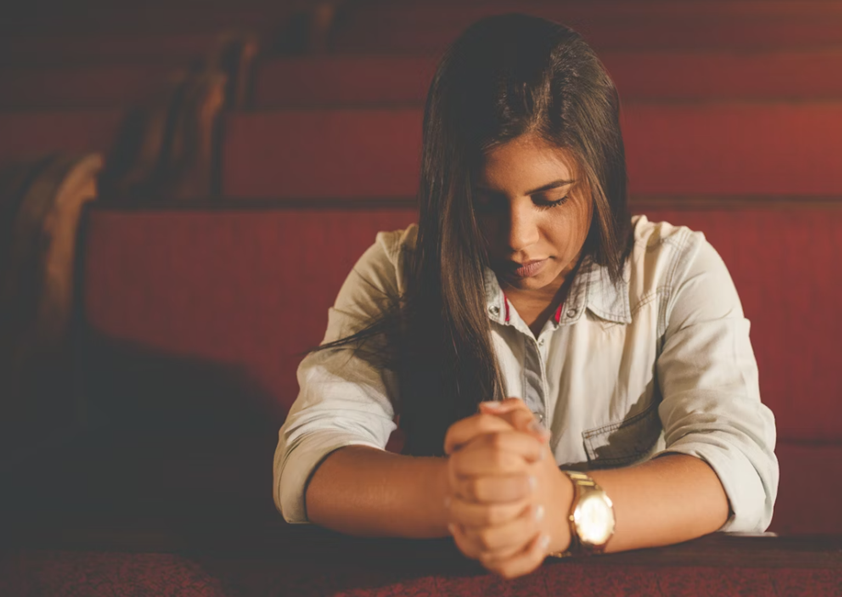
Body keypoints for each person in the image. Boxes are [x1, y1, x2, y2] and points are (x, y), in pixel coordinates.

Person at [273, 13, 778, 580]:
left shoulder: (675, 270)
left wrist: (562, 508)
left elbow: (739, 466)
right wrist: (460, 493)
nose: (518, 238)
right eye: (484, 203)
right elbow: (310, 458)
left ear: (600, 177)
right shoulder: (398, 271)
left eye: (550, 198)